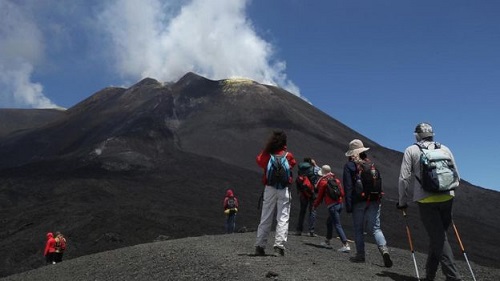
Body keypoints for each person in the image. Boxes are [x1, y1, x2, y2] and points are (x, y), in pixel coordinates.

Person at [397, 122, 462, 281]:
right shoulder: (444, 149)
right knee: (438, 237)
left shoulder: (411, 150)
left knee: (439, 238)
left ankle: (453, 277)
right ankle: (430, 275)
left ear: (416, 135)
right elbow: (457, 176)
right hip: (447, 196)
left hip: (426, 200)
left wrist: (402, 201)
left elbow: (404, 179)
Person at [343, 139, 392, 267]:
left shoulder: (349, 166)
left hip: (358, 202)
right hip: (374, 200)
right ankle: (384, 250)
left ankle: (360, 255)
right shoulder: (370, 165)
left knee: (358, 229)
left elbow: (348, 187)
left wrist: (348, 205)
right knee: (376, 228)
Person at [254, 130, 296, 256]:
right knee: (283, 217)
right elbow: (293, 164)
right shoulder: (288, 155)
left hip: (269, 188)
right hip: (283, 189)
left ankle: (260, 246)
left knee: (266, 216)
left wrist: (267, 149)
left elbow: (259, 161)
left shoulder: (268, 154)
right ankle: (279, 247)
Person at [312, 165, 350, 252]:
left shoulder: (323, 182)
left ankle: (345, 244)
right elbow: (342, 193)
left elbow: (320, 196)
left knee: (337, 225)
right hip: (340, 204)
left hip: (332, 206)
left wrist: (314, 206)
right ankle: (327, 241)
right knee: (329, 222)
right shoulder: (336, 180)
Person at [294, 157, 320, 237]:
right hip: (312, 192)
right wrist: (315, 164)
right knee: (312, 211)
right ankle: (311, 231)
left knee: (302, 211)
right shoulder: (314, 169)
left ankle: (299, 230)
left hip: (303, 192)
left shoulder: (300, 169)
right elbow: (321, 171)